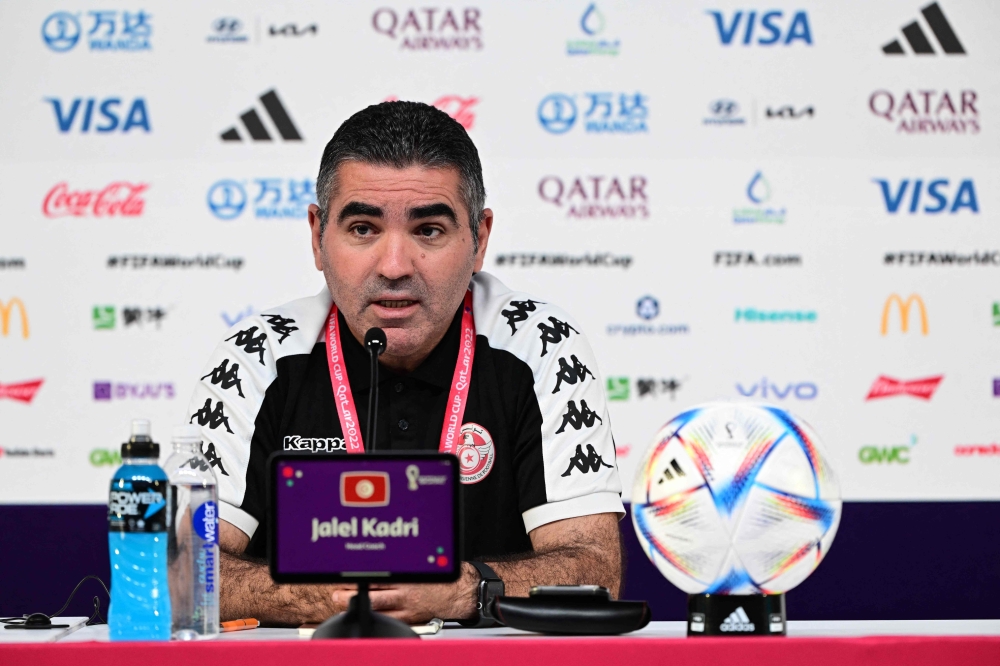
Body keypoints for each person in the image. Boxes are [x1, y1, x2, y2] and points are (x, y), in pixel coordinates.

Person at [188, 101, 624, 626]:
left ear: (479, 239)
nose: (394, 267)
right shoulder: (258, 356)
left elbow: (597, 572)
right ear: (317, 236)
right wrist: (325, 597)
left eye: (429, 231)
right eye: (364, 229)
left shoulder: (541, 347)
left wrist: (461, 590)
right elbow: (183, 568)